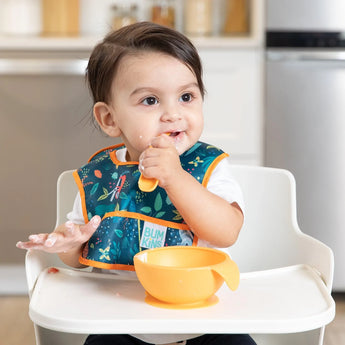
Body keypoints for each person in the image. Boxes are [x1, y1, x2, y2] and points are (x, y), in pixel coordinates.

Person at [17, 22, 256, 345]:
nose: (173, 113)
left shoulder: (207, 166)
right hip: (121, 321)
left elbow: (226, 232)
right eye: (150, 101)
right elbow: (80, 256)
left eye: (186, 96)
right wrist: (69, 243)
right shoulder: (102, 177)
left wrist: (175, 177)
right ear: (109, 119)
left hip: (206, 321)